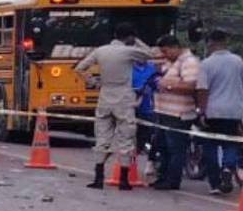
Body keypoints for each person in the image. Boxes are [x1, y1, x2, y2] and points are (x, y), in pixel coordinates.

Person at [74, 23, 153, 190]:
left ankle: (98, 178)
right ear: (129, 37)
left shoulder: (101, 51)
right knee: (125, 138)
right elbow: (149, 54)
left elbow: (80, 68)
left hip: (105, 95)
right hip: (124, 98)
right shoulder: (128, 51)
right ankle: (124, 180)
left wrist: (93, 82)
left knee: (102, 137)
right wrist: (137, 40)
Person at [195, 29, 243, 195]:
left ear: (210, 43)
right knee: (230, 142)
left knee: (210, 146)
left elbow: (202, 89)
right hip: (234, 111)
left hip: (213, 110)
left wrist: (202, 111)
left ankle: (215, 183)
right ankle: (228, 168)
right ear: (226, 42)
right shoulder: (239, 61)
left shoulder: (206, 64)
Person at [151, 34, 200, 191]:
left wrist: (168, 86)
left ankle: (173, 180)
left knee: (175, 148)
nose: (164, 55)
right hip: (164, 112)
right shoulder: (171, 62)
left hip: (178, 113)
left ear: (175, 48)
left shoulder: (189, 62)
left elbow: (191, 86)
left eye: (166, 51)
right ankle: (163, 176)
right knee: (163, 146)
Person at [132, 58, 161, 180]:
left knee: (155, 136)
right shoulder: (128, 68)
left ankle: (151, 161)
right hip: (133, 108)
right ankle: (130, 165)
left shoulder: (152, 68)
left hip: (151, 108)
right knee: (135, 138)